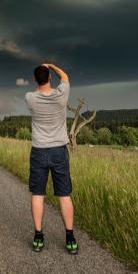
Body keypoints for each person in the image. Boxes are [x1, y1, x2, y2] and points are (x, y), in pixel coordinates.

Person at [25, 63, 78, 255]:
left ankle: (38, 237)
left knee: (38, 194)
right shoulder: (61, 95)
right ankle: (70, 238)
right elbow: (65, 76)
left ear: (35, 80)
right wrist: (52, 66)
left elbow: (38, 87)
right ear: (49, 78)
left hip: (39, 151)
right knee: (64, 195)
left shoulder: (30, 98)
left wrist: (41, 73)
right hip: (58, 151)